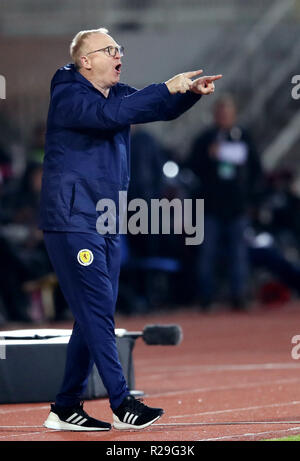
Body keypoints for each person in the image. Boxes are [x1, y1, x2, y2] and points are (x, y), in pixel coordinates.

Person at [40, 27, 222, 431]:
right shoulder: (69, 94)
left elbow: (154, 109)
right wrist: (165, 86)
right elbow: (113, 117)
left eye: (118, 48)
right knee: (99, 312)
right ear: (85, 60)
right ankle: (122, 403)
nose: (118, 54)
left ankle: (65, 406)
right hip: (73, 220)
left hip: (104, 219)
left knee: (93, 313)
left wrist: (188, 93)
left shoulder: (117, 95)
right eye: (109, 49)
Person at [188, 94, 262, 310]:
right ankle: (206, 298)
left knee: (238, 253)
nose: (223, 117)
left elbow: (256, 169)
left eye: (227, 113)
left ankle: (239, 296)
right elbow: (192, 166)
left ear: (234, 115)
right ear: (215, 115)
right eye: (220, 113)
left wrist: (251, 198)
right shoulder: (204, 140)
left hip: (237, 207)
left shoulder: (244, 137)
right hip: (210, 206)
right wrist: (208, 156)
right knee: (207, 253)